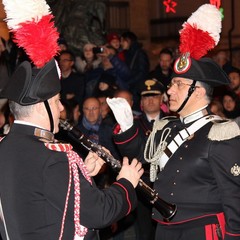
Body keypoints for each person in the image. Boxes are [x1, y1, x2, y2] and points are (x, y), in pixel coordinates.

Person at [107, 4, 240, 240]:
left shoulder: (221, 132)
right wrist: (128, 127)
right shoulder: (166, 128)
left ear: (198, 92)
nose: (170, 91)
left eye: (178, 84)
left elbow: (234, 196)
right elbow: (141, 161)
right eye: (171, 84)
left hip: (202, 229)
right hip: (165, 226)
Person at [0, 57, 144, 240]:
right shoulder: (53, 157)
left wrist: (81, 171)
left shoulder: (4, 146)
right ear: (39, 107)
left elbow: (42, 195)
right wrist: (126, 181)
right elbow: (99, 213)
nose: (61, 108)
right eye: (56, 101)